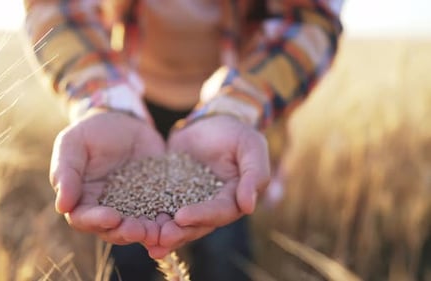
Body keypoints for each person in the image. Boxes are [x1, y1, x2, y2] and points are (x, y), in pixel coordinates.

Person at [23, 0, 344, 280]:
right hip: (129, 96)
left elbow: (307, 19)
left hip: (228, 111)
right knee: (127, 256)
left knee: (225, 252)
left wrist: (236, 107)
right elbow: (56, 7)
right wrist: (106, 101)